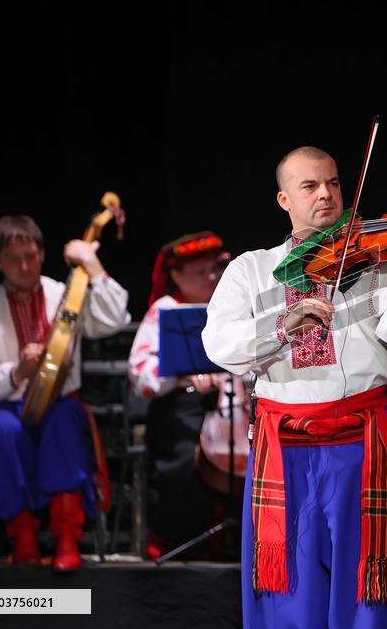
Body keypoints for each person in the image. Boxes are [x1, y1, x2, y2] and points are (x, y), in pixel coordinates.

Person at [201, 146, 387, 628]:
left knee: (370, 590)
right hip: (284, 446)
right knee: (291, 590)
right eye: (310, 186)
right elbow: (218, 343)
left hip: (361, 444)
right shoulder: (252, 269)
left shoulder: (377, 262)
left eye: (333, 183)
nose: (327, 194)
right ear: (284, 199)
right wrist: (281, 325)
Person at [0, 214, 130, 571]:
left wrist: (92, 264)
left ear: (42, 253)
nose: (24, 266)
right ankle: (22, 536)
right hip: (6, 408)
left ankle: (67, 536)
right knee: (4, 431)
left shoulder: (66, 295)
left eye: (31, 256)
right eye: (14, 259)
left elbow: (115, 318)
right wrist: (15, 371)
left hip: (58, 406)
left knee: (65, 418)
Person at [128, 230, 243, 559]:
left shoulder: (231, 303)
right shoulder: (164, 311)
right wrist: (179, 371)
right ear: (176, 276)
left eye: (214, 270)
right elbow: (140, 371)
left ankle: (239, 540)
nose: (211, 278)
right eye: (200, 272)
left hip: (233, 402)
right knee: (182, 459)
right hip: (182, 404)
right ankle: (184, 540)